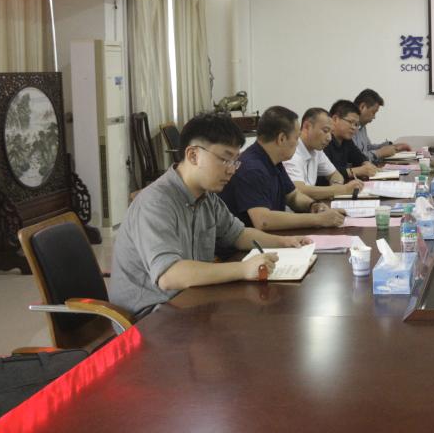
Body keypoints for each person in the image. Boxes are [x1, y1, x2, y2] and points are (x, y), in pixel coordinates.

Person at [109, 112, 312, 316]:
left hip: (190, 302)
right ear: (193, 155)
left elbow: (239, 234)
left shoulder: (207, 197)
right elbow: (170, 275)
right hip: (150, 317)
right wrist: (243, 269)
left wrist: (284, 242)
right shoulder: (156, 202)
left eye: (235, 161)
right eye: (225, 159)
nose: (232, 170)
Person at [219, 106, 346, 230]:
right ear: (281, 139)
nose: (298, 143)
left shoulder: (274, 160)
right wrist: (318, 219)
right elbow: (263, 220)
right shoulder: (252, 168)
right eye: (296, 138)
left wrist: (314, 206)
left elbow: (293, 196)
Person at [284, 107, 364, 200]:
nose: (329, 138)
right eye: (325, 131)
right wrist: (342, 190)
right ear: (307, 126)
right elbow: (299, 191)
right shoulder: (292, 152)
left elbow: (335, 174)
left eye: (331, 132)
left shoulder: (317, 150)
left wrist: (336, 187)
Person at [324, 99, 379, 182]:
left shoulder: (346, 140)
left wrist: (366, 163)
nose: (354, 128)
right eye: (350, 122)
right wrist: (357, 171)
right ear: (335, 119)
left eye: (356, 124)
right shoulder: (324, 141)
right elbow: (326, 174)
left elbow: (359, 157)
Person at [353, 89, 411, 162]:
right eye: (373, 112)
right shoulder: (348, 128)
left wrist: (391, 146)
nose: (374, 117)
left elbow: (368, 148)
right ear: (362, 107)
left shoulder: (362, 126)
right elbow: (355, 159)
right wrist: (379, 153)